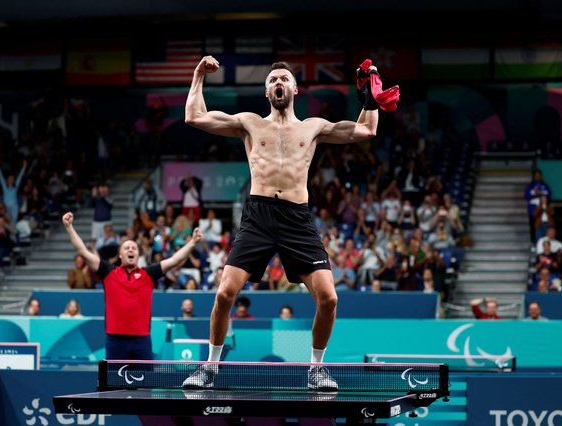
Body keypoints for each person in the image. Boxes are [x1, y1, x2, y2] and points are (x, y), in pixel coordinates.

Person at [181, 55, 381, 391]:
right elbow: (194, 117)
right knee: (225, 293)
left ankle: (316, 369)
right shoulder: (249, 123)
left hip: (297, 218)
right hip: (258, 216)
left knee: (329, 299)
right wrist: (198, 74)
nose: (278, 83)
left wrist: (369, 94)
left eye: (284, 79)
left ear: (295, 88)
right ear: (266, 90)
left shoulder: (313, 127)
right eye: (273, 79)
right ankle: (210, 367)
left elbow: (367, 128)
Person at [62, 211, 203, 360]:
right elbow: (83, 252)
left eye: (134, 248)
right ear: (120, 255)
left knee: (143, 382)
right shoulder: (108, 271)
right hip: (115, 339)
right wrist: (69, 227)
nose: (131, 250)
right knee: (114, 383)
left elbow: (174, 260)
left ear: (138, 255)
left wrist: (192, 242)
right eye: (127, 248)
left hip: (141, 339)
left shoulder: (148, 273)